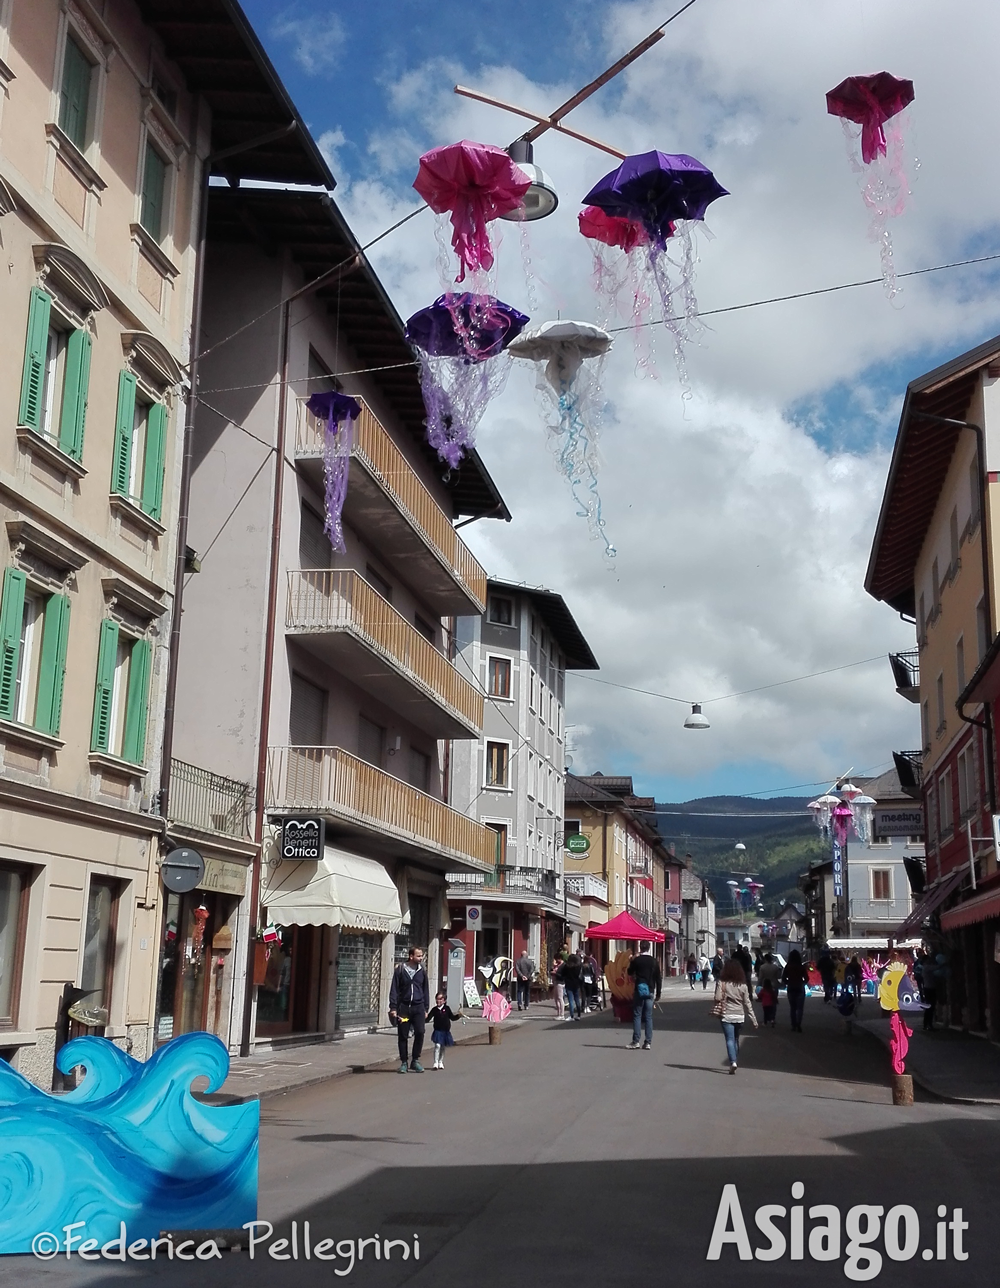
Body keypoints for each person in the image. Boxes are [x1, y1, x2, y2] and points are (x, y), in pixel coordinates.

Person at [389, 946, 430, 1073]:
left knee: (420, 1032)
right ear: (411, 956)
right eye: (418, 956)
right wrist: (393, 1007)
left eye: (421, 955)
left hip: (418, 1007)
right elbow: (394, 989)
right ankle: (404, 1062)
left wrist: (426, 1008)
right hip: (404, 1008)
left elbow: (425, 990)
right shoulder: (400, 970)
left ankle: (415, 1060)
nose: (421, 958)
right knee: (403, 1035)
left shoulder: (422, 971)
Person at [714, 958, 758, 1073]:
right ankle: (735, 1059)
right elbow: (747, 1003)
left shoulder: (722, 983)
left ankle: (733, 1061)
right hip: (739, 1016)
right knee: (736, 1039)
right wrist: (753, 1019)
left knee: (729, 1039)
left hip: (726, 1014)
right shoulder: (743, 986)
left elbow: (717, 998)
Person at [627, 941, 661, 1050]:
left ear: (640, 947)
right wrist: (658, 993)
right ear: (649, 948)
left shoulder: (637, 960)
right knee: (648, 1016)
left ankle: (636, 1041)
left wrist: (630, 961)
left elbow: (629, 972)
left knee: (637, 1014)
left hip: (639, 989)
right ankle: (648, 1042)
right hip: (650, 990)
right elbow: (658, 978)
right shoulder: (654, 961)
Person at [427, 993, 461, 1069]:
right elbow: (428, 1019)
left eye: (440, 999)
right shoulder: (434, 1010)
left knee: (443, 1047)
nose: (438, 1001)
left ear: (444, 1000)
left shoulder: (447, 1008)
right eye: (437, 999)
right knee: (437, 1045)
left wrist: (458, 1016)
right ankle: (435, 1062)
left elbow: (452, 1018)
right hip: (438, 1030)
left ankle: (440, 1062)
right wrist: (423, 1017)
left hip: (445, 1031)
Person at [782, 949, 808, 1033]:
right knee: (800, 1008)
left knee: (792, 1008)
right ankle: (798, 1024)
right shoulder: (801, 967)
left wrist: (788, 982)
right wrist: (803, 983)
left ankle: (793, 1025)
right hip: (800, 987)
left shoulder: (788, 966)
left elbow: (783, 978)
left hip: (791, 988)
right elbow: (807, 978)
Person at [757, 952, 781, 1026]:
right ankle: (772, 1018)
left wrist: (758, 986)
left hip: (766, 985)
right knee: (773, 1003)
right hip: (774, 985)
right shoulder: (775, 967)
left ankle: (766, 1019)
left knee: (766, 1004)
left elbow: (760, 978)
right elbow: (778, 977)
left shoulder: (762, 967)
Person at [562, 952, 584, 1021]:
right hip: (576, 984)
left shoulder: (567, 966)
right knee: (577, 999)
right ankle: (579, 1015)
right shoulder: (579, 966)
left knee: (571, 1000)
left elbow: (563, 974)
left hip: (569, 983)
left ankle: (572, 1016)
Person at [552, 953, 566, 1019]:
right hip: (556, 982)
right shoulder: (558, 965)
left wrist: (556, 973)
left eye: (556, 959)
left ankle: (562, 1014)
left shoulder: (563, 966)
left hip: (560, 982)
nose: (556, 961)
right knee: (556, 998)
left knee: (560, 998)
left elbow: (563, 976)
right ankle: (558, 1013)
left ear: (559, 958)